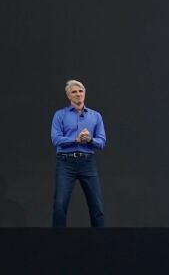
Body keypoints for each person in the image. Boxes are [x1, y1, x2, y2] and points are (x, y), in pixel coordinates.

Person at [50, 79, 106, 227]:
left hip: (87, 162)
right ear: (69, 96)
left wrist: (89, 140)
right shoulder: (60, 115)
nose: (78, 94)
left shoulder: (95, 116)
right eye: (74, 92)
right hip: (66, 162)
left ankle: (102, 245)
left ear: (85, 94)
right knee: (60, 205)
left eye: (81, 91)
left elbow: (101, 142)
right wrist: (75, 139)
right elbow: (55, 140)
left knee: (97, 206)